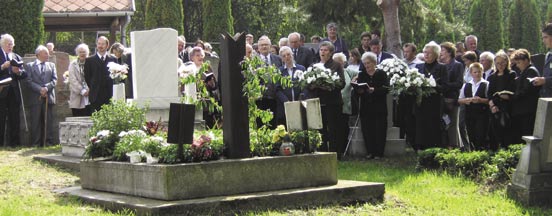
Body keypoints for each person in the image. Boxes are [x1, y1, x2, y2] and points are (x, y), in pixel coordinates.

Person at [308, 41, 345, 158]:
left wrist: (329, 86)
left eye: (325, 50)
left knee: (334, 128)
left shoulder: (336, 65)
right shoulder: (313, 66)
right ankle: (322, 153)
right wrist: (313, 86)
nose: (322, 52)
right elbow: (307, 84)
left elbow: (342, 83)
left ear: (331, 52)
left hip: (333, 102)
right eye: (321, 50)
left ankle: (335, 153)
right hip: (319, 102)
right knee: (320, 128)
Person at [353, 52, 389, 159]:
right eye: (364, 63)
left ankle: (379, 153)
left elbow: (386, 88)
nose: (366, 66)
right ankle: (370, 151)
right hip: (366, 106)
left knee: (379, 130)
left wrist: (375, 90)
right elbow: (357, 90)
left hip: (379, 107)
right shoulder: (362, 74)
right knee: (367, 130)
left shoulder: (381, 73)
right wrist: (358, 90)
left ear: (374, 62)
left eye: (368, 63)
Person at [414, 41, 449, 150]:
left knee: (433, 126)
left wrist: (433, 85)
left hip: (435, 103)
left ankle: (434, 148)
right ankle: (421, 148)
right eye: (425, 52)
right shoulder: (418, 67)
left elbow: (445, 86)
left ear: (436, 55)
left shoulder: (442, 68)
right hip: (421, 102)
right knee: (420, 125)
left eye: (429, 53)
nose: (426, 55)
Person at [25, 45, 57, 146]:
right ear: (38, 54)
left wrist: (46, 88)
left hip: (48, 98)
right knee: (35, 122)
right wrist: (40, 89)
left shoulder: (51, 65)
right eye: (46, 53)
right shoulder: (30, 66)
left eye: (48, 53)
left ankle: (48, 143)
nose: (48, 55)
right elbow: (29, 81)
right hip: (35, 98)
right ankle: (36, 143)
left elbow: (54, 80)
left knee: (48, 121)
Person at [0, 34, 27, 147]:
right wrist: (2, 67)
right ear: (2, 44)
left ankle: (14, 143)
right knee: (1, 117)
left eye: (12, 44)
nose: (10, 46)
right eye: (8, 44)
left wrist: (18, 72)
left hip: (14, 91)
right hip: (1, 90)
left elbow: (25, 74)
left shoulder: (16, 56)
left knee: (14, 118)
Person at [510, 49, 540, 144]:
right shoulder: (524, 72)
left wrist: (512, 96)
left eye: (519, 62)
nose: (517, 66)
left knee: (526, 133)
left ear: (526, 60)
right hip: (522, 110)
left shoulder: (531, 71)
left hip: (527, 110)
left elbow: (526, 90)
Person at [487, 51, 516, 150]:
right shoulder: (492, 77)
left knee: (507, 133)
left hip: (506, 107)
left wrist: (497, 97)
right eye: (498, 63)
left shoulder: (511, 74)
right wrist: (492, 105)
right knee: (494, 133)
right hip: (494, 108)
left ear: (507, 62)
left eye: (503, 62)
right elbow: (490, 94)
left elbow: (508, 92)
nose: (500, 65)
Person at [458, 63, 489, 150]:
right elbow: (459, 99)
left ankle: (481, 151)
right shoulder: (466, 85)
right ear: (471, 73)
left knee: (481, 134)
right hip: (469, 114)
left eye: (479, 72)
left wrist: (480, 100)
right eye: (475, 72)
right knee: (471, 135)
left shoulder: (486, 84)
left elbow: (490, 100)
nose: (477, 74)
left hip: (482, 114)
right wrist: (466, 100)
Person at [440, 42, 464, 149]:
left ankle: (456, 147)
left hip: (452, 99)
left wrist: (446, 85)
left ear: (449, 52)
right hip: (442, 99)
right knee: (445, 124)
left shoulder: (457, 65)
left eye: (443, 51)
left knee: (453, 124)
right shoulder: (441, 65)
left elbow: (459, 83)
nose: (441, 53)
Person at [84, 36, 116, 112]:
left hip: (110, 95)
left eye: (102, 44)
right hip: (95, 96)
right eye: (99, 44)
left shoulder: (113, 59)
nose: (100, 46)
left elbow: (116, 76)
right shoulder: (89, 60)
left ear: (107, 46)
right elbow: (87, 77)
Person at [275, 46, 306, 126]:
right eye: (284, 56)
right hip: (284, 105)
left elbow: (305, 85)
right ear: (282, 59)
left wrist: (300, 98)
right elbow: (277, 89)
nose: (287, 57)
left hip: (299, 103)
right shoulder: (279, 71)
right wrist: (286, 101)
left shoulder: (301, 68)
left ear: (292, 55)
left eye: (288, 54)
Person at [257, 36, 282, 128]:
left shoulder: (277, 59)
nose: (264, 47)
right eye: (262, 45)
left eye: (266, 45)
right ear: (258, 47)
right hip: (260, 98)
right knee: (261, 124)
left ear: (270, 46)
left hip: (274, 97)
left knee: (274, 124)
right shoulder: (253, 61)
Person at [68, 43, 91, 116]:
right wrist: (82, 90)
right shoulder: (73, 64)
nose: (82, 54)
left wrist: (89, 89)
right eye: (80, 52)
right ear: (77, 53)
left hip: (90, 95)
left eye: (84, 52)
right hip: (77, 95)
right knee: (77, 116)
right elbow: (72, 79)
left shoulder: (91, 62)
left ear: (87, 53)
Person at [532, 23, 552, 97]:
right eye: (543, 38)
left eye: (546, 37)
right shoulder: (548, 55)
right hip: (546, 97)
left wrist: (545, 80)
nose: (543, 41)